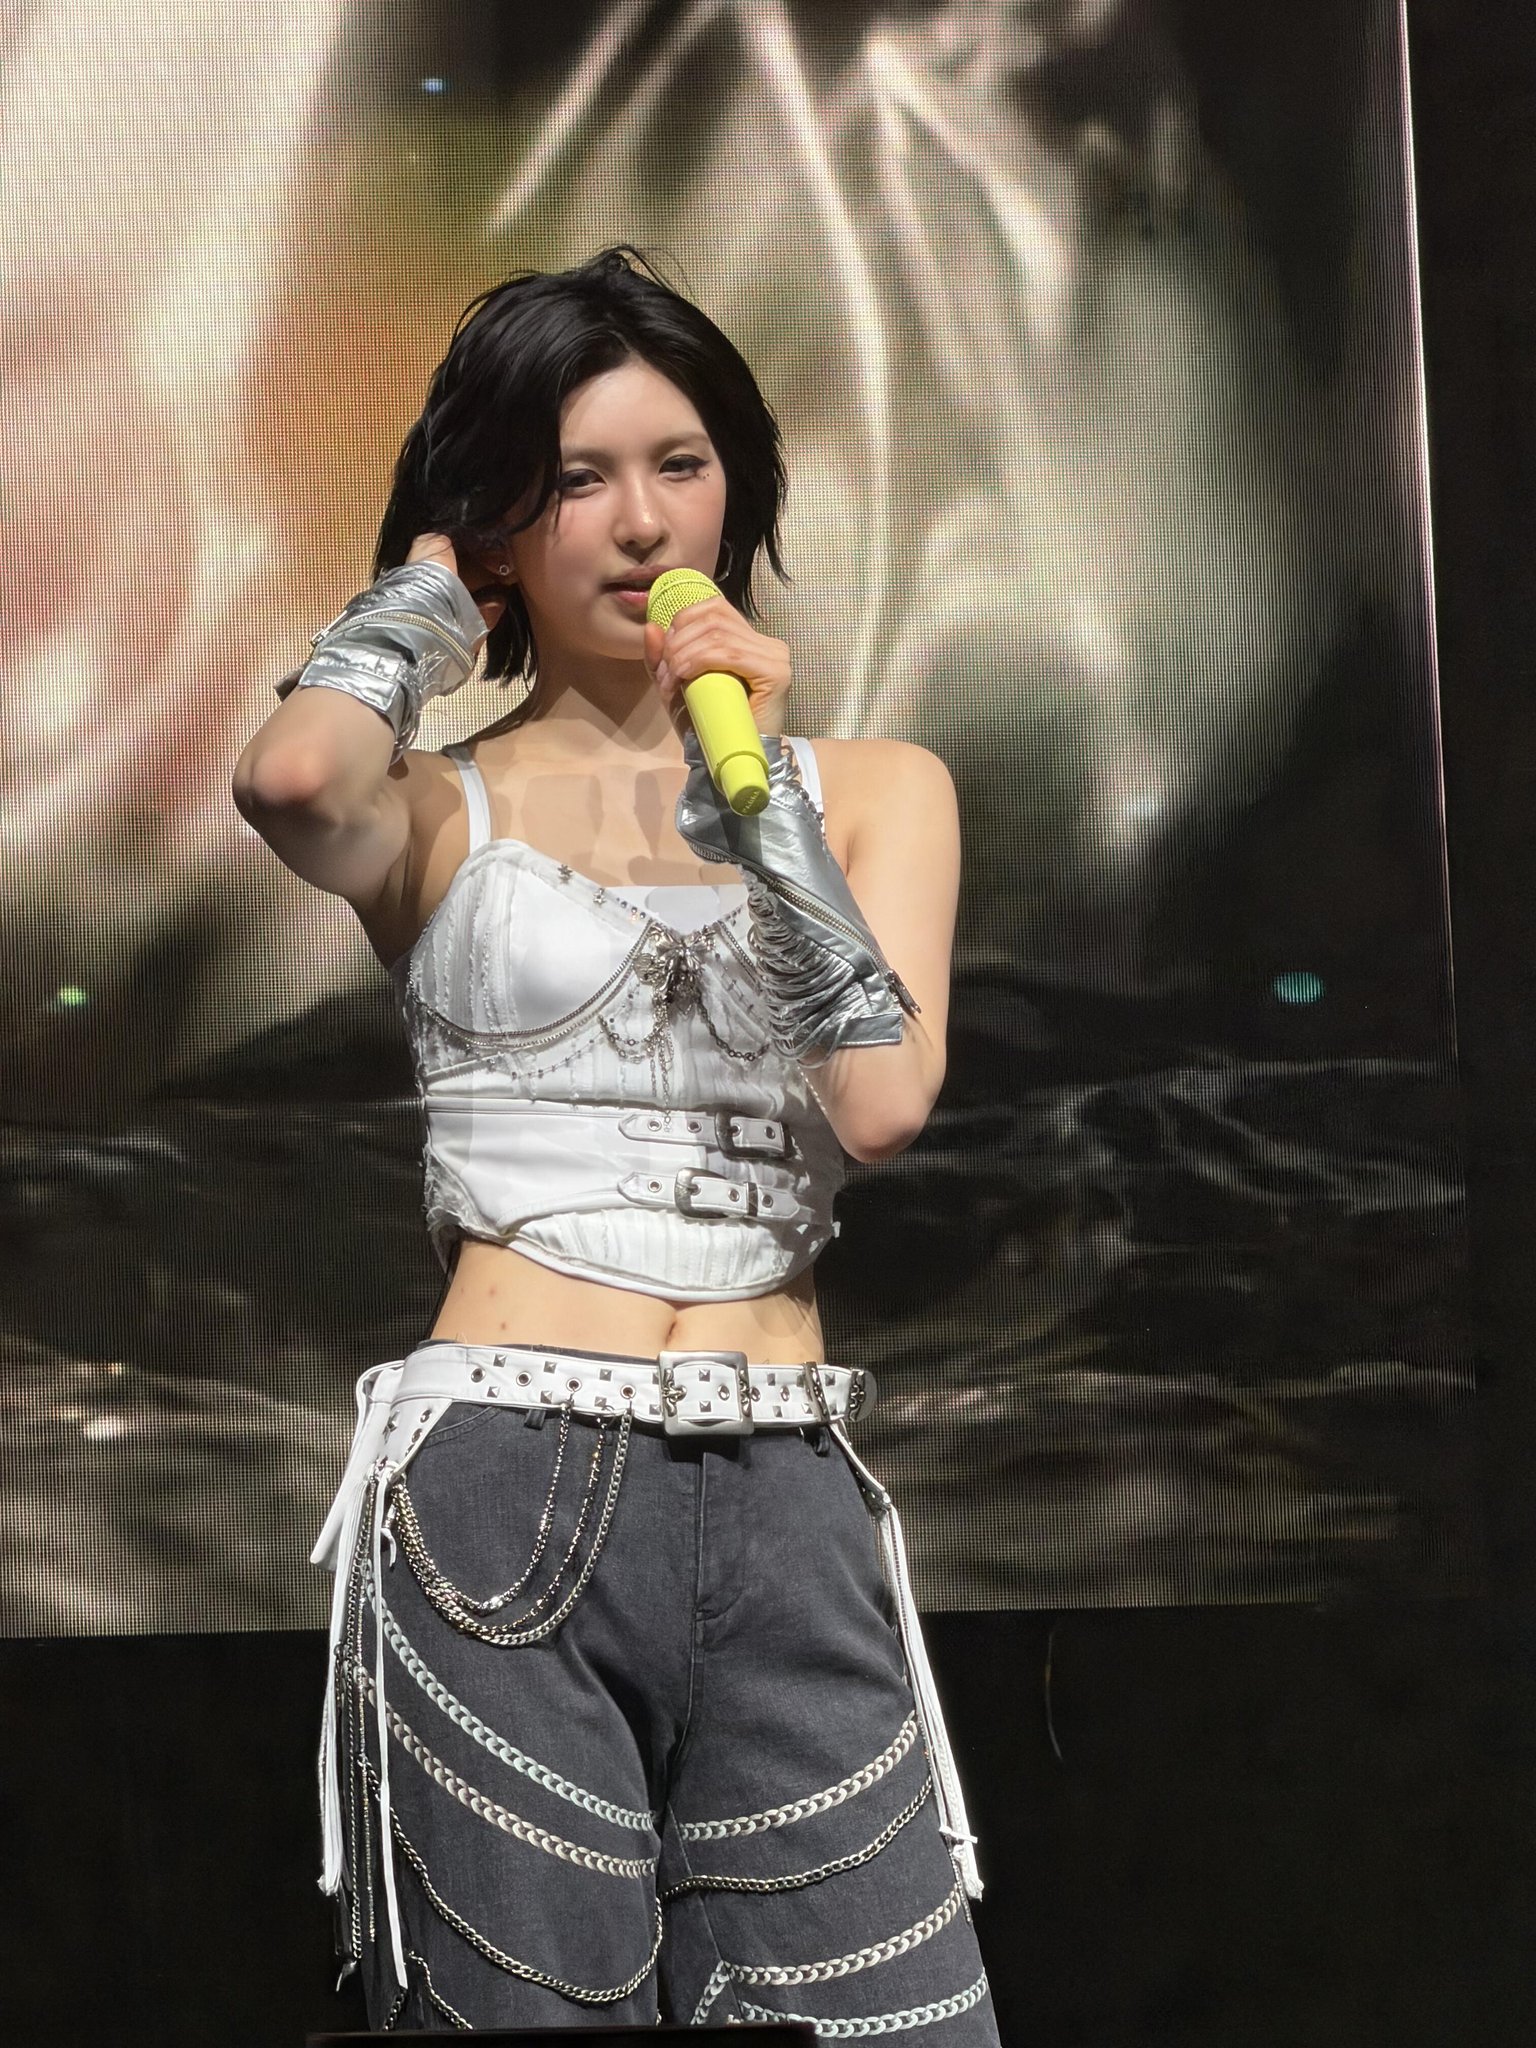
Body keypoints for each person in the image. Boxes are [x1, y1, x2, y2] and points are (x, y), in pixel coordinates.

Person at [233, 246, 998, 2038]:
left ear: (738, 490)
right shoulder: (435, 808)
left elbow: (880, 1103)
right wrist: (430, 595)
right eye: (575, 479)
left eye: (681, 465)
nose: (643, 523)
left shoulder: (878, 790)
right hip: (503, 1487)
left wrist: (759, 799)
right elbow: (291, 780)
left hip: (788, 1486)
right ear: (504, 521)